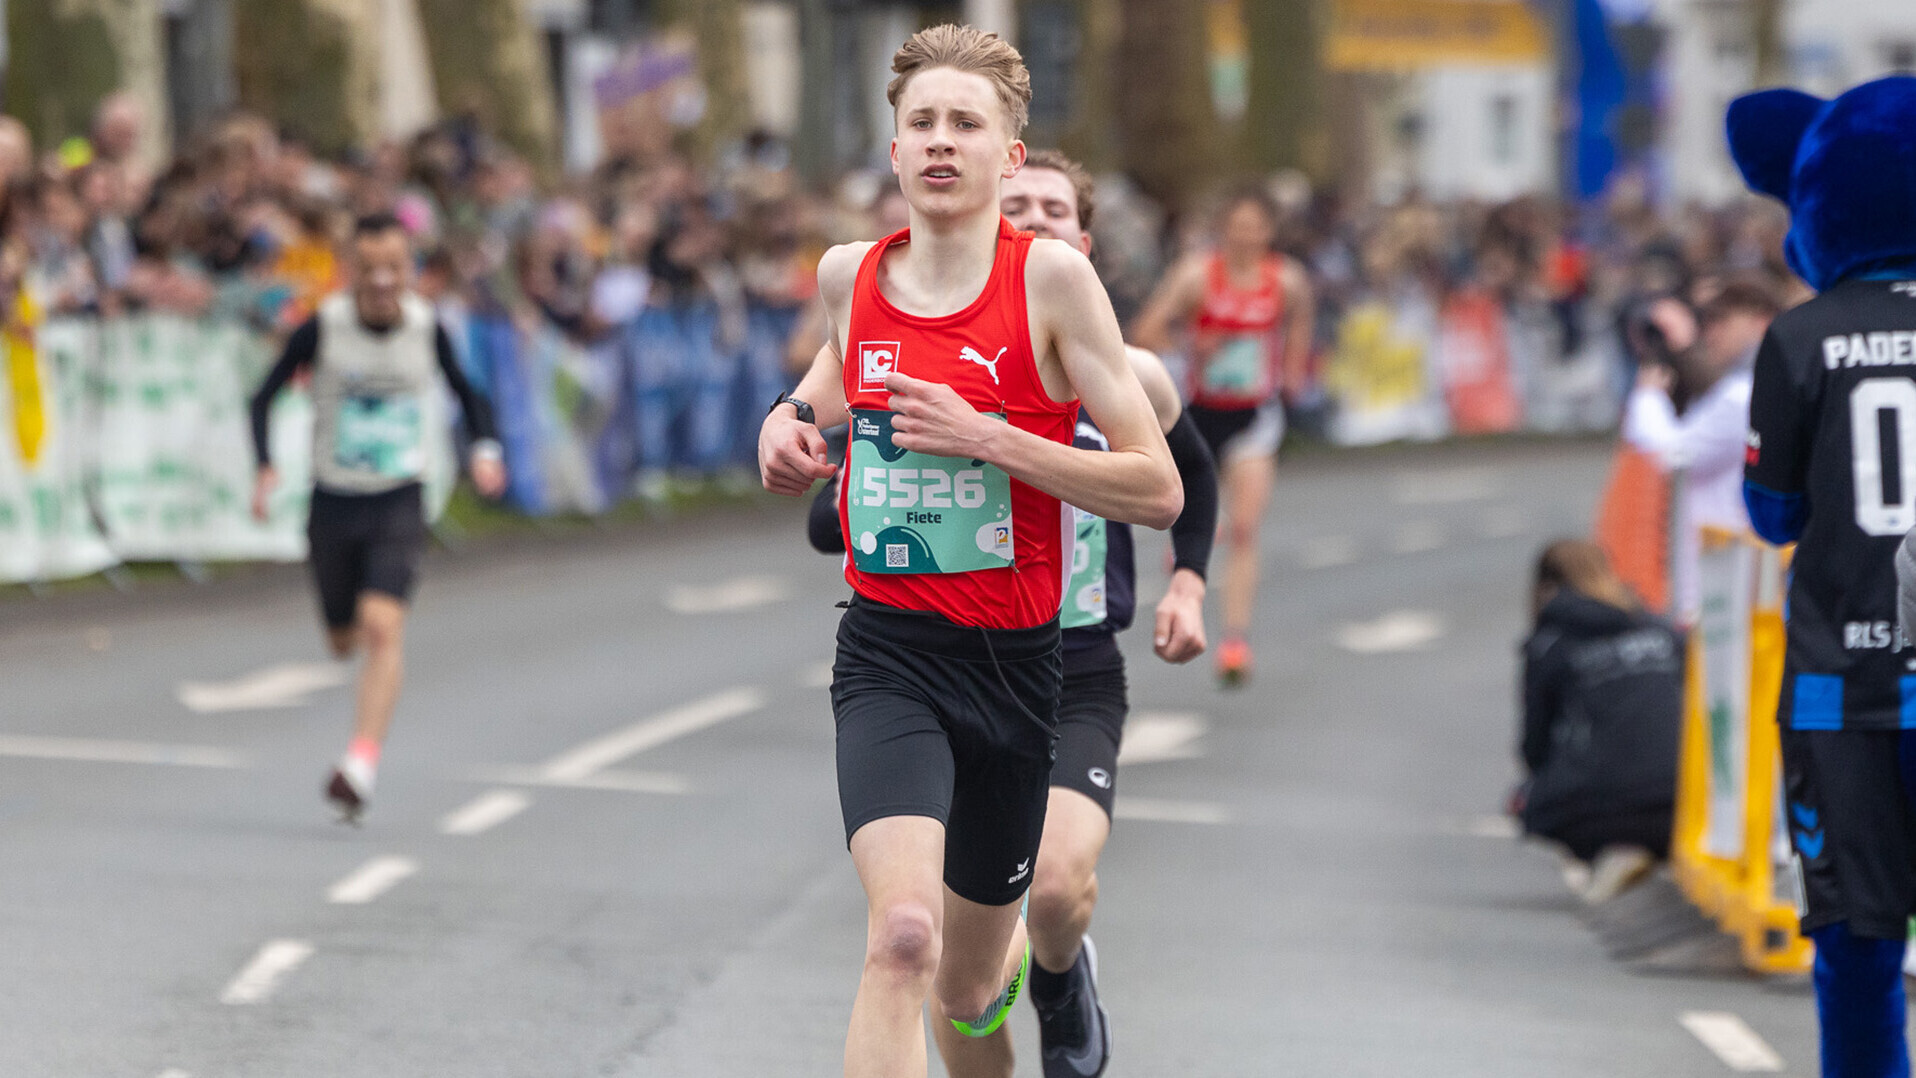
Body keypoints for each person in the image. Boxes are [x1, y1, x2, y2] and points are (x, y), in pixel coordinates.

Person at [757, 25, 1181, 1078]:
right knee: (902, 935)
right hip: (890, 654)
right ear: (893, 154)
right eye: (921, 125)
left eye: (965, 124)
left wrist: (991, 437)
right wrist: (783, 422)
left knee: (966, 990)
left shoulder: (1050, 285)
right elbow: (826, 378)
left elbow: (1157, 486)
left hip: (1015, 668)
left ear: (1009, 157)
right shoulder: (849, 276)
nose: (940, 143)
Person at [249, 212, 507, 823]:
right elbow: (264, 394)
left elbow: (470, 395)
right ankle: (348, 673)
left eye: (397, 267)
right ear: (351, 271)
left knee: (382, 626)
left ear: (411, 270)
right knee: (342, 638)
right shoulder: (325, 326)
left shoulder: (426, 327)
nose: (385, 280)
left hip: (398, 498)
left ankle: (360, 764)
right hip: (334, 501)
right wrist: (263, 465)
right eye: (371, 269)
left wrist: (486, 450)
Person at [1132, 187, 1312, 686]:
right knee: (1204, 518)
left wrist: (1293, 370)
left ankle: (1234, 639)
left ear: (1269, 231)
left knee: (1246, 529)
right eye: (1238, 225)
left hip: (1255, 415)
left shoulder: (1286, 280)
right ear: (1224, 228)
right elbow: (1146, 330)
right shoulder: (1196, 275)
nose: (1246, 235)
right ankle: (1193, 542)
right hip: (1199, 414)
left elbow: (1300, 322)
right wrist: (1194, 344)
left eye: (1256, 226)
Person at [1515, 540, 1682, 902]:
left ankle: (1607, 849)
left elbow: (1534, 745)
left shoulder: (1549, 643)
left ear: (1546, 587)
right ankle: (1658, 851)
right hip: (1685, 802)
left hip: (1602, 809)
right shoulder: (1661, 630)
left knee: (1524, 802)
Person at [1621, 277, 1782, 622]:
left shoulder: (1741, 395)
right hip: (1732, 567)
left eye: (1721, 320)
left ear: (1760, 320)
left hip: (1725, 574)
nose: (1710, 332)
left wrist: (1648, 394)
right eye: (1706, 320)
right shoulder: (1753, 387)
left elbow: (1670, 456)